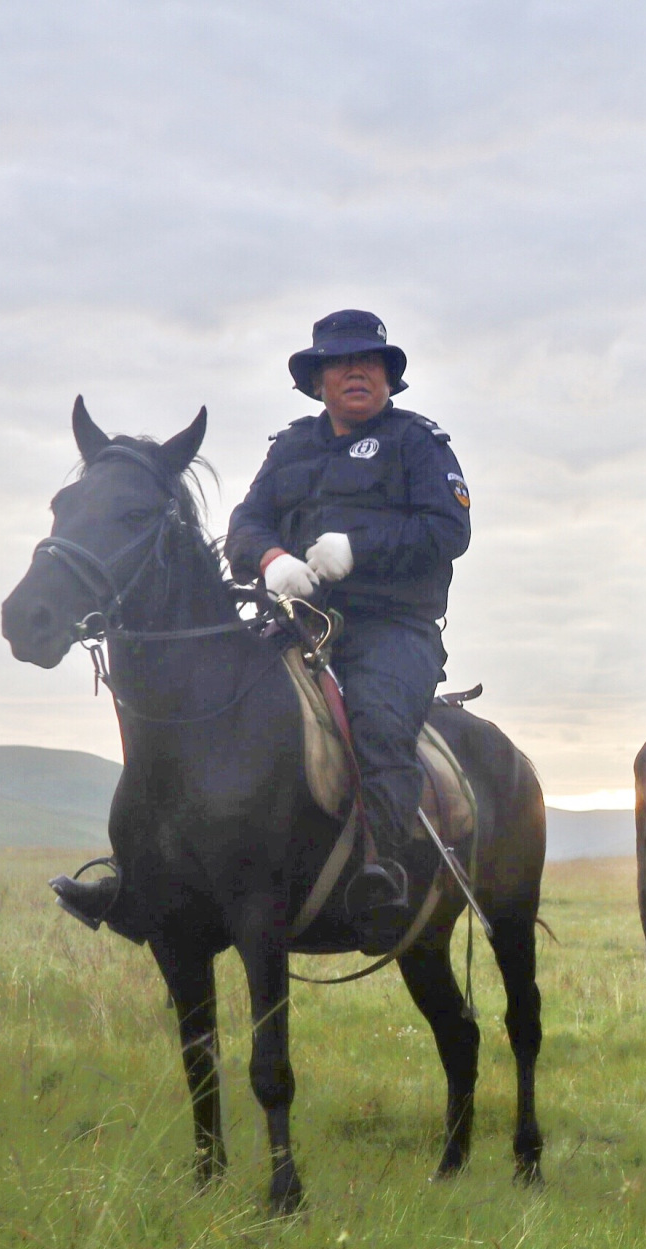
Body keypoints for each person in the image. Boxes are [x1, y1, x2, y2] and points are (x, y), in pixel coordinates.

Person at [225, 309, 471, 955]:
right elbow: (244, 527)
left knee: (380, 721)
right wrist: (271, 559)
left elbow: (449, 531)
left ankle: (381, 871)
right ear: (318, 380)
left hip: (390, 628)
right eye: (339, 362)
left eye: (370, 361)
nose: (355, 371)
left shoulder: (418, 442)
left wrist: (359, 547)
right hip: (294, 623)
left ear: (389, 376)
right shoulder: (290, 447)